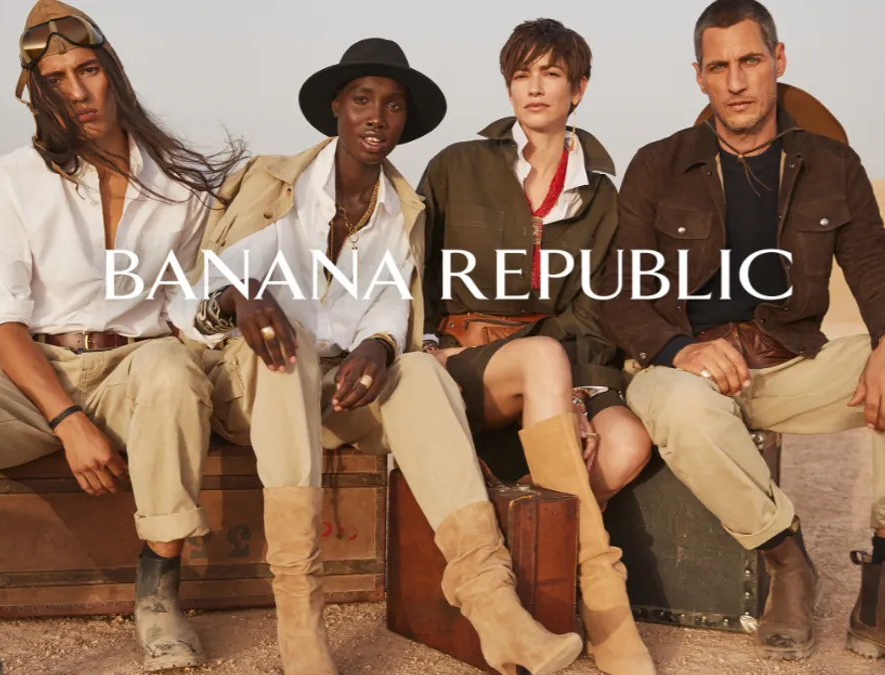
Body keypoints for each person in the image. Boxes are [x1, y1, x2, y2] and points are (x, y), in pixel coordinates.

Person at [171, 38, 584, 675]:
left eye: (393, 107)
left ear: (404, 122)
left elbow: (392, 303)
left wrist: (379, 344)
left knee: (416, 369)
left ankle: (492, 606)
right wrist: (240, 297)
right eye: (362, 99)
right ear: (337, 106)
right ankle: (300, 620)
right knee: (286, 344)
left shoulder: (401, 209)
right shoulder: (272, 184)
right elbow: (187, 302)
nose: (376, 117)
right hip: (254, 391)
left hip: (337, 401)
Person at [600, 1, 885, 674]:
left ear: (779, 61)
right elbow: (621, 289)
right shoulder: (657, 165)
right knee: (673, 398)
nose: (736, 81)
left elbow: (875, 260)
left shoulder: (832, 164)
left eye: (750, 61)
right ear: (699, 78)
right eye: (719, 67)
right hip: (691, 372)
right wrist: (679, 349)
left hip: (789, 368)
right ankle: (788, 561)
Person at [0, 1, 246, 673]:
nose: (78, 92)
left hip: (139, 366)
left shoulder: (183, 182)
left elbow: (184, 305)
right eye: (57, 80)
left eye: (88, 69)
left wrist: (228, 311)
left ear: (114, 71)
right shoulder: (11, 179)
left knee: (171, 368)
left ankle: (159, 589)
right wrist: (67, 416)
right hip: (40, 373)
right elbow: (2, 318)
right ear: (37, 95)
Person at [416, 18, 656, 675]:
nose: (535, 87)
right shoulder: (455, 166)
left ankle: (525, 547)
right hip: (460, 364)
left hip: (555, 366)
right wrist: (426, 342)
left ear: (578, 89)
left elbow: (593, 313)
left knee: (629, 441)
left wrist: (577, 390)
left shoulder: (605, 195)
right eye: (521, 74)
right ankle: (605, 604)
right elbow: (410, 272)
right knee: (542, 360)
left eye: (551, 73)